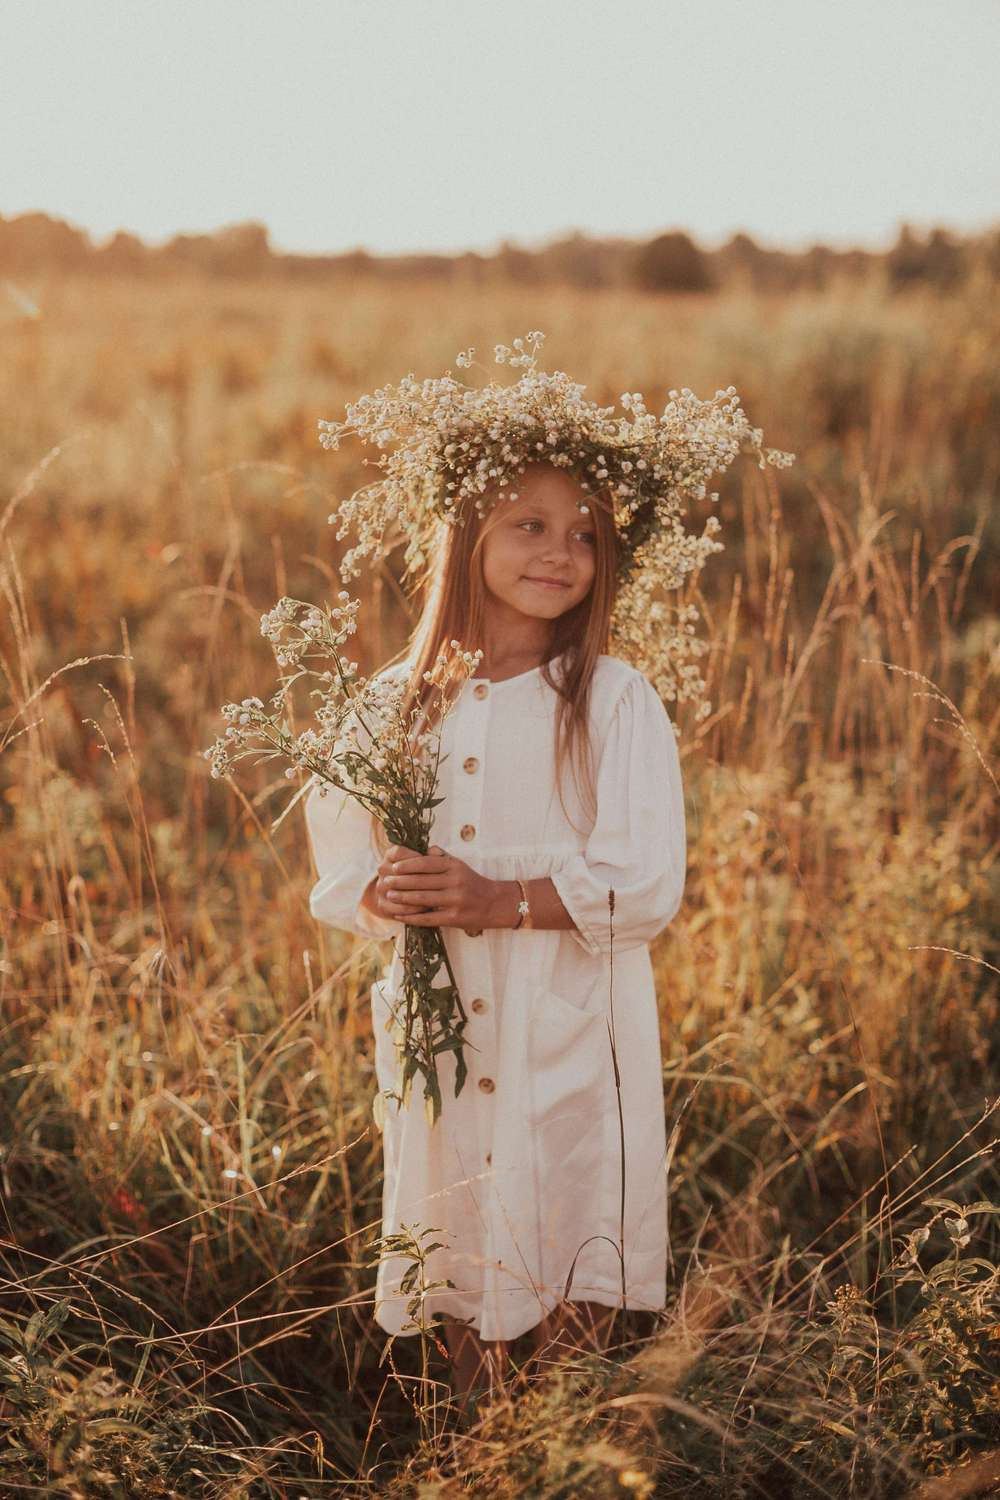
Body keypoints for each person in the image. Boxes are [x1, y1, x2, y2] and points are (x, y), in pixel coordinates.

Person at [304, 456, 687, 1411]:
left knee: (566, 1208)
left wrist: (499, 900)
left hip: (567, 1014)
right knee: (462, 1224)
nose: (560, 553)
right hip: (444, 1019)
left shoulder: (609, 698)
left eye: (586, 535)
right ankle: (478, 1435)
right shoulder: (395, 700)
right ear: (467, 532)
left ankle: (563, 1434)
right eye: (531, 525)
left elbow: (644, 886)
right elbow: (341, 863)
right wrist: (388, 888)